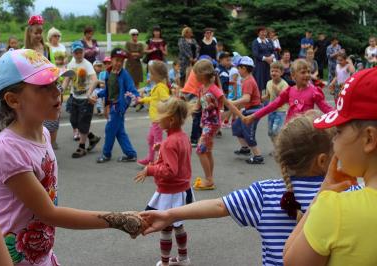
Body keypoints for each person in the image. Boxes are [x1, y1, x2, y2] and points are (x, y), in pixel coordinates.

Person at [0, 49, 147, 266]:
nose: (56, 91)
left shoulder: (44, 133)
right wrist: (118, 220)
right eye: (43, 87)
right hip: (13, 259)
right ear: (13, 100)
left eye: (56, 83)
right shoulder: (8, 148)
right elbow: (49, 214)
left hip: (41, 255)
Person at [140, 112, 357, 266]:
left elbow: (217, 206)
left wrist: (169, 214)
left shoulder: (266, 193)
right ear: (322, 161)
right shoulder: (347, 193)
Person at [284, 67, 377, 266]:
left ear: (369, 138)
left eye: (338, 132)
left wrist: (322, 193)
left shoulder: (335, 209)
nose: (334, 141)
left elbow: (291, 260)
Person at [135, 97, 193, 266]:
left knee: (166, 227)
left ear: (171, 119)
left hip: (169, 193)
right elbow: (180, 157)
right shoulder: (182, 137)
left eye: (160, 115)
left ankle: (165, 262)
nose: (156, 119)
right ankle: (183, 258)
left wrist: (150, 169)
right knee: (179, 225)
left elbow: (170, 170)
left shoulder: (169, 143)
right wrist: (162, 149)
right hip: (183, 190)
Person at [191, 59, 245, 190]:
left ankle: (209, 180)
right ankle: (209, 178)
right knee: (207, 151)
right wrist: (187, 111)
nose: (194, 77)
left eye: (196, 74)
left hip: (213, 124)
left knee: (200, 150)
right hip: (205, 123)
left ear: (203, 74)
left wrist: (242, 117)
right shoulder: (201, 88)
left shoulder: (214, 89)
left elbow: (228, 104)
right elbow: (197, 106)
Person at [244, 59, 333, 125]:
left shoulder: (314, 91)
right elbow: (272, 105)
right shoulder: (289, 91)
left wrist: (341, 117)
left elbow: (327, 108)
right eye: (303, 72)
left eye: (309, 72)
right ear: (293, 76)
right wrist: (253, 116)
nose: (307, 75)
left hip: (306, 130)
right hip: (290, 129)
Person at [96, 48, 140, 163]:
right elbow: (108, 91)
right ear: (111, 59)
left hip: (118, 108)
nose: (119, 63)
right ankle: (130, 154)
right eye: (116, 60)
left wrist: (135, 97)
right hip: (112, 106)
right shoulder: (108, 73)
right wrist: (97, 95)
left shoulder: (125, 74)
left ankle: (106, 154)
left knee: (109, 130)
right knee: (120, 132)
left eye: (121, 61)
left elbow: (132, 89)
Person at [62, 41, 101, 158]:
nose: (79, 54)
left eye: (80, 52)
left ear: (83, 52)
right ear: (72, 53)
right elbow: (67, 80)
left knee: (83, 123)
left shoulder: (87, 64)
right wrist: (61, 90)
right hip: (75, 97)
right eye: (76, 52)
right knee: (74, 121)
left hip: (86, 99)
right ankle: (92, 138)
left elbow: (95, 80)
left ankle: (81, 147)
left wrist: (89, 93)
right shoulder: (71, 64)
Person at [231, 56, 264, 164]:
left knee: (248, 132)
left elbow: (246, 98)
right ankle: (245, 149)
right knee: (237, 126)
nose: (238, 70)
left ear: (244, 68)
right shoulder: (247, 79)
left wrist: (232, 103)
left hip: (253, 111)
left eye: (239, 68)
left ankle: (258, 156)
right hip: (249, 109)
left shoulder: (248, 81)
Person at [137, 60, 170, 166]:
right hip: (155, 120)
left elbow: (166, 100)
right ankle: (151, 159)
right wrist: (142, 100)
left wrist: (165, 111)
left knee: (157, 142)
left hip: (158, 120)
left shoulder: (160, 87)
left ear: (157, 75)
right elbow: (154, 98)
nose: (149, 75)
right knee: (151, 139)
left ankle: (159, 161)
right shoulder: (157, 86)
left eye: (151, 73)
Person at [42, 51, 70, 150]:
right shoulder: (44, 90)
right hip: (45, 122)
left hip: (53, 120)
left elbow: (62, 88)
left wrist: (67, 78)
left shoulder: (57, 88)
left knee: (51, 142)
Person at [262, 61, 288, 149]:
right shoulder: (268, 83)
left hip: (281, 111)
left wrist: (277, 90)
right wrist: (262, 98)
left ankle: (279, 149)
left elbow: (284, 98)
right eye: (272, 71)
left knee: (276, 131)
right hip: (271, 110)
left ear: (281, 72)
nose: (274, 73)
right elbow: (268, 96)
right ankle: (277, 147)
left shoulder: (284, 84)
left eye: (276, 71)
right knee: (270, 132)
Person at [252, 26, 276, 92]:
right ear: (258, 33)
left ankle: (269, 96)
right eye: (262, 32)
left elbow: (274, 50)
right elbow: (255, 54)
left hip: (270, 64)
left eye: (265, 32)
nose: (264, 33)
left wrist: (271, 58)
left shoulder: (269, 40)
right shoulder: (255, 42)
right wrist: (266, 59)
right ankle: (260, 98)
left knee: (269, 80)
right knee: (260, 81)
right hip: (260, 65)